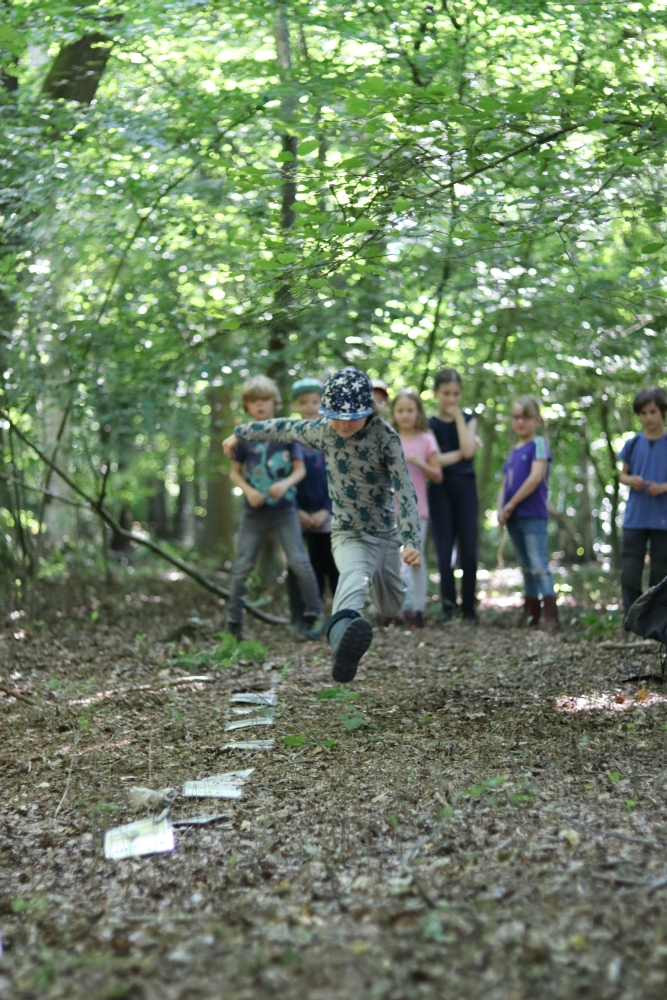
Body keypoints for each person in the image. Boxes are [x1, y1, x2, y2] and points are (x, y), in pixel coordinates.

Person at [224, 368, 422, 683]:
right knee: (353, 578)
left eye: (351, 417)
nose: (343, 425)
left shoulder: (385, 437)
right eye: (336, 417)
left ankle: (377, 595)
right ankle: (342, 643)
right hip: (346, 532)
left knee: (391, 604)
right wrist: (242, 433)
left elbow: (407, 490)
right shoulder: (324, 431)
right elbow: (284, 428)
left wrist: (411, 540)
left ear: (369, 409)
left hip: (384, 534)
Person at [226, 375, 321, 641]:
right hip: (253, 513)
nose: (260, 406)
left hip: (285, 510)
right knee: (243, 566)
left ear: (274, 403)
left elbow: (299, 470)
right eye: (254, 401)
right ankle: (233, 623)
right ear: (246, 406)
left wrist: (285, 484)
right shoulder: (243, 437)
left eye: (264, 400)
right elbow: (235, 473)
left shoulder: (286, 433)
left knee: (300, 563)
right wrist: (250, 490)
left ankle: (313, 616)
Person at [497, 395, 557, 630]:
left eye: (526, 417)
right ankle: (531, 613)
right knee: (525, 566)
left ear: (536, 420)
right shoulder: (512, 451)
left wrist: (511, 504)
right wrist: (502, 508)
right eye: (516, 417)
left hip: (533, 514)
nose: (520, 422)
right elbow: (505, 483)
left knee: (538, 563)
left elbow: (536, 477)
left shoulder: (539, 444)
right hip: (514, 518)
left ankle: (551, 615)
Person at [427, 369, 480, 622]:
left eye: (456, 394)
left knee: (469, 550)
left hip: (466, 488)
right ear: (436, 393)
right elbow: (436, 460)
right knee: (444, 549)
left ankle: (468, 608)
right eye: (446, 393)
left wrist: (458, 417)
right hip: (439, 489)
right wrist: (461, 452)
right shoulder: (429, 425)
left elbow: (469, 452)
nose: (451, 399)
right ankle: (448, 607)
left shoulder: (469, 419)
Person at [287, 378, 339, 627]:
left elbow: (339, 477)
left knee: (331, 564)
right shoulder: (289, 436)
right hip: (296, 514)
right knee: (300, 566)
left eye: (315, 402)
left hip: (326, 515)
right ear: (296, 404)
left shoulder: (331, 435)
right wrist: (295, 510)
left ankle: (340, 617)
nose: (309, 406)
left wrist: (325, 510)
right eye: (304, 402)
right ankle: (304, 616)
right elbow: (284, 476)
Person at [391, 389, 442, 628]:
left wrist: (418, 462)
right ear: (393, 413)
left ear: (418, 412)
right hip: (390, 510)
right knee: (392, 560)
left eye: (410, 410)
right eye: (400, 410)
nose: (405, 415)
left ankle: (418, 608)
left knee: (414, 559)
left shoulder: (426, 440)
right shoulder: (388, 438)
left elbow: (438, 475)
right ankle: (397, 608)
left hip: (417, 511)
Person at [618, 386, 667, 613]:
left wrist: (663, 487)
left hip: (663, 519)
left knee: (660, 573)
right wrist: (631, 480)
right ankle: (633, 618)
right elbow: (622, 474)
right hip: (635, 517)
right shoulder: (632, 443)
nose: (648, 417)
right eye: (643, 413)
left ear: (662, 412)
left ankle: (655, 621)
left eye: (653, 411)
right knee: (629, 570)